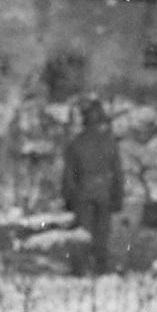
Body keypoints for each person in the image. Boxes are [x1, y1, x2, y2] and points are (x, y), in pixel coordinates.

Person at [60, 97, 126, 273]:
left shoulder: (76, 143)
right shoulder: (109, 143)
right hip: (104, 192)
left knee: (83, 233)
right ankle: (101, 268)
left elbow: (69, 175)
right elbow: (118, 173)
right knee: (102, 233)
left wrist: (68, 197)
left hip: (82, 193)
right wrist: (118, 196)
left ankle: (80, 269)